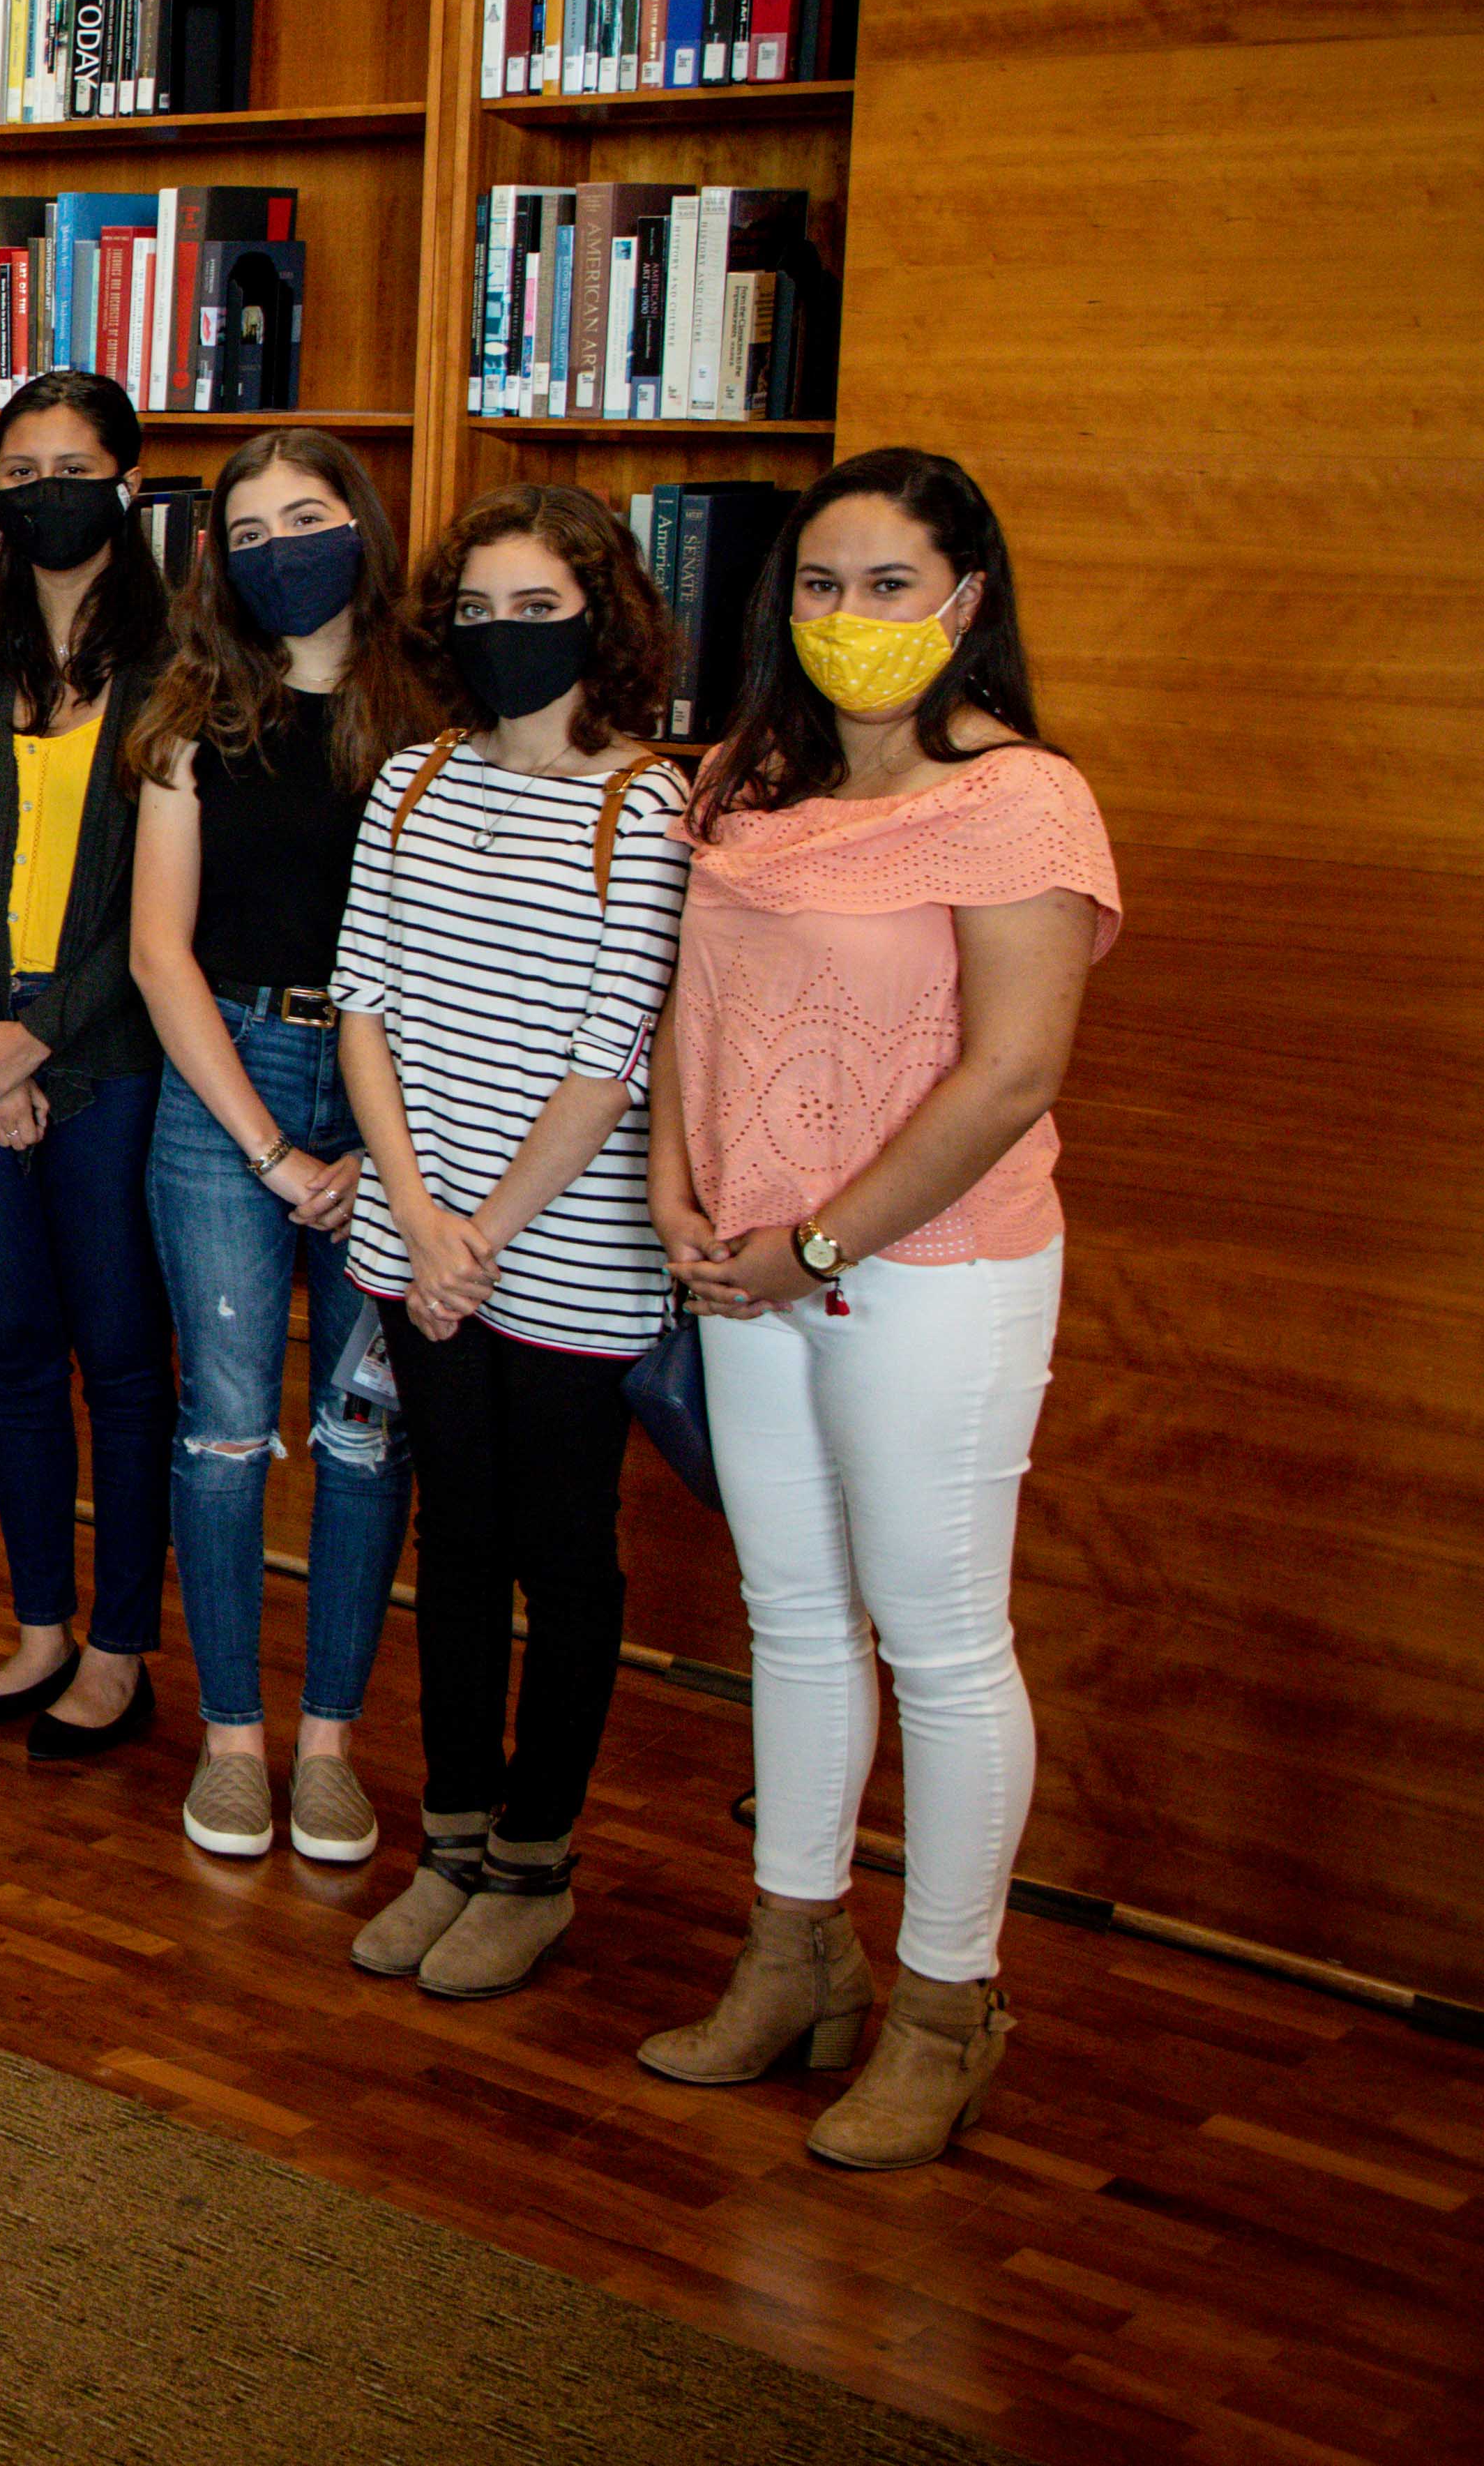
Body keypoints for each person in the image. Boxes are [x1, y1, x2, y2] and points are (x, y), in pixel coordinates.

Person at [641, 453, 1116, 2171]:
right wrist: (676, 1194)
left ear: (965, 602)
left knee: (938, 1638)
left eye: (888, 586)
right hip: (741, 1265)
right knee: (789, 1616)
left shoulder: (1019, 803)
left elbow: (1008, 1076)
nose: (846, 620)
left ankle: (943, 2005)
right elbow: (691, 1003)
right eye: (819, 588)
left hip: (928, 1272)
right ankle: (795, 1956)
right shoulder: (738, 782)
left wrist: (817, 1245)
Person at [333, 483, 688, 2000]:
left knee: (561, 1551)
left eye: (535, 611)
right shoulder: (409, 779)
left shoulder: (646, 802)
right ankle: (451, 1838)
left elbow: (612, 1051)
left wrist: (480, 1229)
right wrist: (417, 1216)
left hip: (566, 1254)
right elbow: (365, 1005)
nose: (500, 638)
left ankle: (535, 1862)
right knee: (453, 1544)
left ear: (599, 618)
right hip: (420, 1240)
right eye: (474, 611)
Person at [123, 430, 437, 1864]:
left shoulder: (435, 719)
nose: (276, 548)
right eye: (245, 530)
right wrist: (266, 1151)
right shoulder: (191, 715)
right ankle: (233, 1740)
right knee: (226, 1424)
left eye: (303, 517)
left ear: (359, 528)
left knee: (363, 1435)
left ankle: (327, 1743)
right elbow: (157, 953)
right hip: (225, 1088)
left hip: (401, 1100)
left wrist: (376, 1158)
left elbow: (458, 958)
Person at [0, 370, 178, 1760]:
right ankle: (37, 1629)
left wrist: (42, 1030)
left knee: (119, 1357)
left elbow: (170, 900)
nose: (43, 485)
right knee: (11, 1351)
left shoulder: (185, 656)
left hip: (112, 1054)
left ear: (126, 477)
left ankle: (120, 1646)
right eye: (17, 466)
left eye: (72, 461)